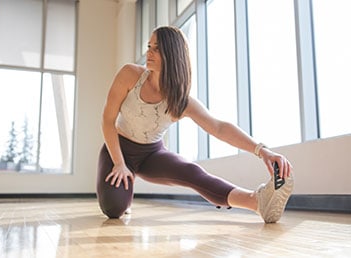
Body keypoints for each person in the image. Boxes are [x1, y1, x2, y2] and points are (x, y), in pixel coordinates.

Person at [97, 26, 294, 223]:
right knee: (114, 208)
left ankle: (257, 202)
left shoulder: (181, 102)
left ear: (172, 53)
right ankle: (126, 193)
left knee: (192, 172)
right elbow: (107, 120)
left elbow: (219, 127)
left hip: (151, 155)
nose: (149, 52)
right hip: (118, 148)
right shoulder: (129, 75)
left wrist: (262, 150)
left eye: (157, 48)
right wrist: (120, 163)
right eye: (149, 46)